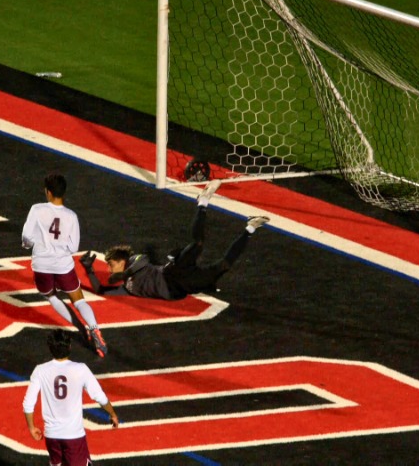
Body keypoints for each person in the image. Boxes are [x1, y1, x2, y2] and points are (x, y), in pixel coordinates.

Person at [79, 180, 270, 299]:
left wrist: (120, 276)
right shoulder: (127, 289)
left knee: (198, 244)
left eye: (111, 264)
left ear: (122, 260)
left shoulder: (136, 259)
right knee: (224, 266)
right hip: (180, 289)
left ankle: (203, 201)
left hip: (172, 273)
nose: (109, 268)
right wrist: (89, 270)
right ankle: (251, 227)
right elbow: (101, 290)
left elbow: (136, 266)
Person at [22, 173, 108, 357]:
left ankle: (79, 327)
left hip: (41, 265)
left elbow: (27, 238)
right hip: (63, 265)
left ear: (48, 192)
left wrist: (31, 244)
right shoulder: (71, 216)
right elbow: (73, 247)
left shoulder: (37, 209)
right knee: (79, 300)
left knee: (51, 296)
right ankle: (94, 328)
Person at [23, 329, 119, 465]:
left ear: (50, 348)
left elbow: (28, 404)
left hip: (52, 436)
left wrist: (31, 427)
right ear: (69, 347)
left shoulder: (40, 370)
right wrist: (112, 413)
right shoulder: (80, 369)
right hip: (73, 436)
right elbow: (99, 396)